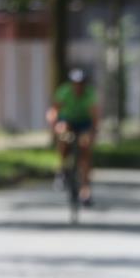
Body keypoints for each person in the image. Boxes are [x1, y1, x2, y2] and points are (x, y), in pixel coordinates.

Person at [47, 67, 99, 206]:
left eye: (81, 84)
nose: (78, 87)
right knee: (63, 137)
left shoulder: (90, 94)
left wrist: (93, 133)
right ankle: (61, 170)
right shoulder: (64, 92)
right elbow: (54, 111)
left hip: (84, 122)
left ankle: (85, 190)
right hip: (68, 121)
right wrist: (55, 126)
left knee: (85, 150)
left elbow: (95, 116)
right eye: (75, 83)